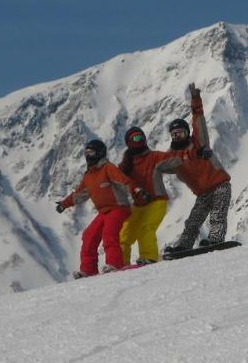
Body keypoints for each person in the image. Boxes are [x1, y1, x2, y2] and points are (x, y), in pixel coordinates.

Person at [56, 138, 150, 278]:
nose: (88, 156)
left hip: (119, 208)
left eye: (91, 152)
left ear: (99, 153)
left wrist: (137, 190)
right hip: (104, 212)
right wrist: (64, 203)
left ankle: (115, 264)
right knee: (89, 235)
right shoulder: (88, 176)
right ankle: (88, 270)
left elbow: (124, 181)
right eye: (86, 153)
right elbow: (79, 194)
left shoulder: (108, 168)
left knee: (109, 233)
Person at [163, 83, 232, 253]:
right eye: (174, 134)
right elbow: (156, 164)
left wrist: (195, 99)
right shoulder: (173, 157)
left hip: (220, 185)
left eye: (180, 133)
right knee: (193, 221)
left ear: (187, 133)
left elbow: (198, 118)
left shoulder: (198, 142)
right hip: (203, 193)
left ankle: (215, 238)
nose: (177, 136)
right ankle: (184, 245)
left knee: (217, 215)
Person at [117, 126, 183, 265]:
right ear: (129, 142)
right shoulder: (127, 164)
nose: (139, 140)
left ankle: (149, 257)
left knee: (146, 228)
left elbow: (174, 160)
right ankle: (120, 262)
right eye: (135, 138)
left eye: (141, 137)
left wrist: (186, 155)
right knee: (125, 233)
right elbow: (117, 180)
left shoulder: (154, 157)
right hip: (139, 205)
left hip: (157, 200)